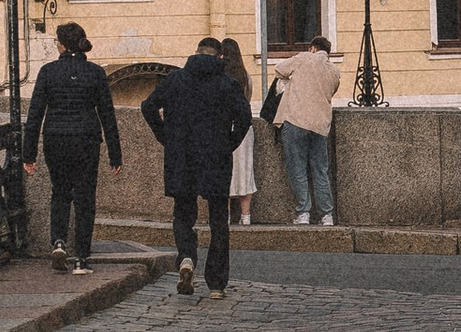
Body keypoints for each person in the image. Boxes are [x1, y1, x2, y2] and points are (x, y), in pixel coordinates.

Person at [141, 36, 251, 299]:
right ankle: (215, 284)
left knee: (183, 214)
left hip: (182, 157)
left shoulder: (176, 80)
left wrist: (165, 137)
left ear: (196, 53)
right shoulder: (227, 83)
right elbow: (244, 119)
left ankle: (187, 257)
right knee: (218, 221)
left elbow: (148, 107)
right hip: (216, 158)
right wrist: (229, 144)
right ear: (220, 57)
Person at [20, 18, 122, 271]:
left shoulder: (48, 72)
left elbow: (35, 115)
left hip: (56, 139)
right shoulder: (96, 73)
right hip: (86, 140)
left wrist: (28, 154)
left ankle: (58, 241)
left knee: (60, 192)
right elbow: (107, 115)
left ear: (62, 46)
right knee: (85, 197)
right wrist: (115, 155)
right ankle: (82, 257)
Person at [268, 31, 342, 226]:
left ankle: (303, 213)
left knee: (297, 168)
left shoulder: (303, 58)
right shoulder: (334, 71)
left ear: (312, 48)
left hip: (296, 120)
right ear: (328, 52)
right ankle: (327, 215)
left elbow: (279, 70)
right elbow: (332, 91)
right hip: (320, 126)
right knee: (320, 170)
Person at [220, 33, 259, 224]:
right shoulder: (245, 77)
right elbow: (247, 101)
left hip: (224, 128)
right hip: (244, 130)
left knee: (224, 170)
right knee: (245, 170)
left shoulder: (220, 78)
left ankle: (225, 215)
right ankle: (246, 216)